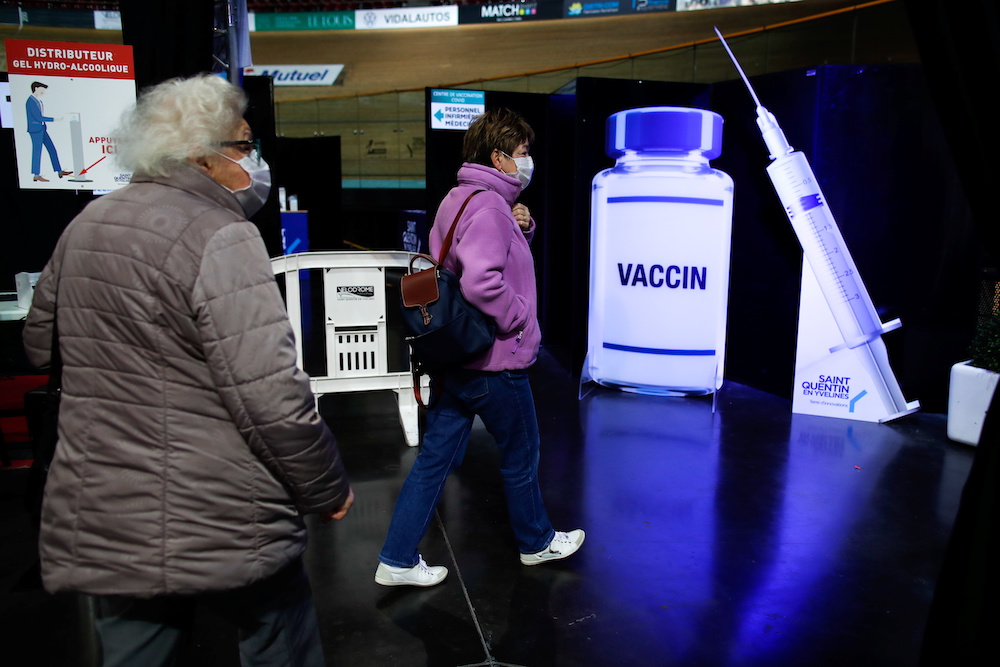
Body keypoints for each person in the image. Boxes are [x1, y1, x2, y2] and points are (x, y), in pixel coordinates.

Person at [22, 73, 353, 666]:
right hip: (225, 513)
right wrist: (325, 485)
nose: (254, 161)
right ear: (202, 154)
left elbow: (39, 347)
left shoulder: (88, 224)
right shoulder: (223, 236)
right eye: (244, 145)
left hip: (108, 511)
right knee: (281, 646)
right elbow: (272, 397)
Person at [375, 108, 584, 587]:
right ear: (499, 157)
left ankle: (397, 558)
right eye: (523, 153)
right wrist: (520, 317)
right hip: (495, 359)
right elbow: (482, 282)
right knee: (521, 454)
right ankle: (537, 542)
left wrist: (522, 229)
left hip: (459, 357)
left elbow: (464, 255)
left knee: (432, 462)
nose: (529, 161)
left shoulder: (460, 198)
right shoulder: (490, 206)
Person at [25, 81, 72, 182]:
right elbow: (38, 117)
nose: (43, 92)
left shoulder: (38, 101)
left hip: (42, 129)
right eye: (42, 90)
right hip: (35, 130)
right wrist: (54, 119)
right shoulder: (30, 101)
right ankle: (36, 175)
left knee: (52, 149)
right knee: (37, 152)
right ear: (36, 88)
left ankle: (59, 171)